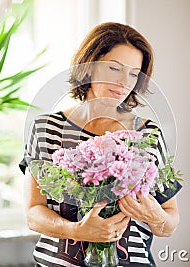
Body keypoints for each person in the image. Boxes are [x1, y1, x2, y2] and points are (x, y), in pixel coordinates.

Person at [19, 22, 181, 267]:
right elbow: (33, 213)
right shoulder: (46, 129)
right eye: (114, 68)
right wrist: (76, 231)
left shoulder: (149, 135)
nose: (124, 81)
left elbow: (170, 222)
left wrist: (154, 215)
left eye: (133, 74)